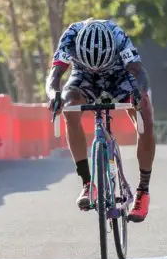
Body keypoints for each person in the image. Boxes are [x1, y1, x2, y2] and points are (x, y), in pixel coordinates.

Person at [45, 19, 156, 222]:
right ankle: (88, 184)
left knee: (145, 117)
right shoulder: (70, 36)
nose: (97, 69)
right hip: (83, 77)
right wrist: (54, 95)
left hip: (119, 77)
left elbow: (139, 72)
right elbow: (54, 76)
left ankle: (143, 191)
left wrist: (139, 95)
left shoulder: (118, 36)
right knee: (69, 107)